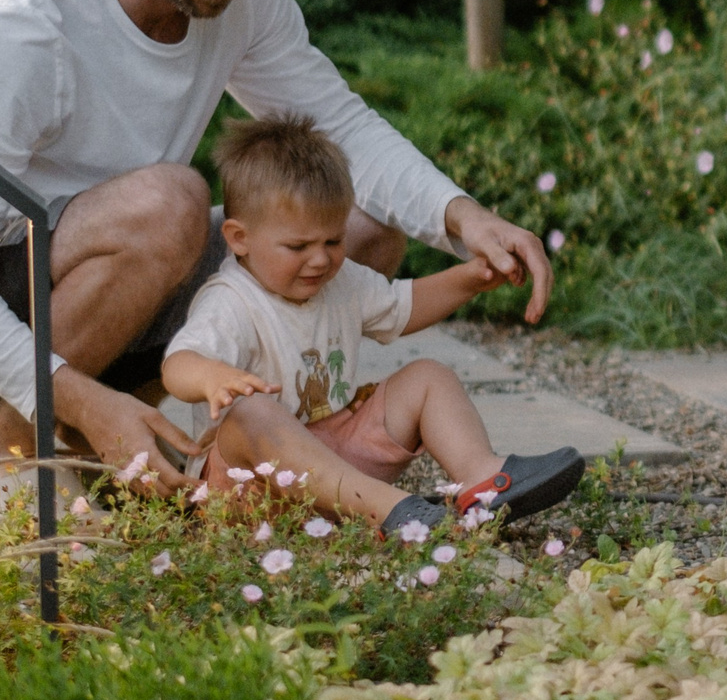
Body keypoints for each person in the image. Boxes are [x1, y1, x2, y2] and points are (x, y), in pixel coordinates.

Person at [0, 0, 553, 489]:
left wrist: (464, 217)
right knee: (169, 203)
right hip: (19, 316)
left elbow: (340, 126)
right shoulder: (25, 23)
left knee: (352, 225)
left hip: (101, 290)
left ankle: (253, 461)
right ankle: (42, 440)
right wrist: (77, 393)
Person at [163, 116, 583, 533]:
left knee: (427, 377)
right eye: (298, 246)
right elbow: (177, 364)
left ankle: (482, 481)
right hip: (249, 486)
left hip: (338, 466)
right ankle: (390, 510)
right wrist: (211, 376)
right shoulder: (231, 300)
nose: (320, 259)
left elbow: (403, 306)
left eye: (333, 241)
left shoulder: (339, 280)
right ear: (239, 238)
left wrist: (470, 279)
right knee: (250, 414)